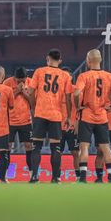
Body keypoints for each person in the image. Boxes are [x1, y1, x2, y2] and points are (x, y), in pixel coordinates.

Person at [74, 49, 111, 183]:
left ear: (88, 60)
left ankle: (83, 178)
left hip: (87, 115)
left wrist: (78, 106)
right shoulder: (110, 76)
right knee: (105, 147)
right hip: (102, 116)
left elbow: (76, 93)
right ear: (100, 60)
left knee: (84, 147)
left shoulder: (84, 76)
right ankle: (110, 177)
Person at [27, 49, 73, 183]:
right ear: (60, 60)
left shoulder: (39, 71)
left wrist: (33, 107)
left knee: (36, 146)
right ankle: (56, 177)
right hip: (56, 114)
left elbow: (30, 92)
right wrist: (69, 116)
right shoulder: (65, 76)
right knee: (56, 147)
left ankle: (34, 176)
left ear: (48, 58)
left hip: (40, 112)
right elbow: (68, 97)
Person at [4, 67, 35, 178]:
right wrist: (17, 90)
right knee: (7, 146)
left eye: (23, 80)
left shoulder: (31, 82)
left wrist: (24, 92)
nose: (21, 82)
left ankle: (32, 174)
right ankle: (5, 174)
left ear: (26, 78)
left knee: (29, 146)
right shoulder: (7, 83)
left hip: (25, 120)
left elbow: (33, 102)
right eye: (18, 81)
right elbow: (5, 102)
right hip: (10, 121)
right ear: (14, 78)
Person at [60, 67, 80, 181]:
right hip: (59, 127)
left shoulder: (75, 91)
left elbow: (79, 109)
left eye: (67, 76)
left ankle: (78, 177)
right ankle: (57, 176)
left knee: (75, 152)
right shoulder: (57, 91)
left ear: (71, 77)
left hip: (72, 127)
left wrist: (77, 123)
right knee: (58, 152)